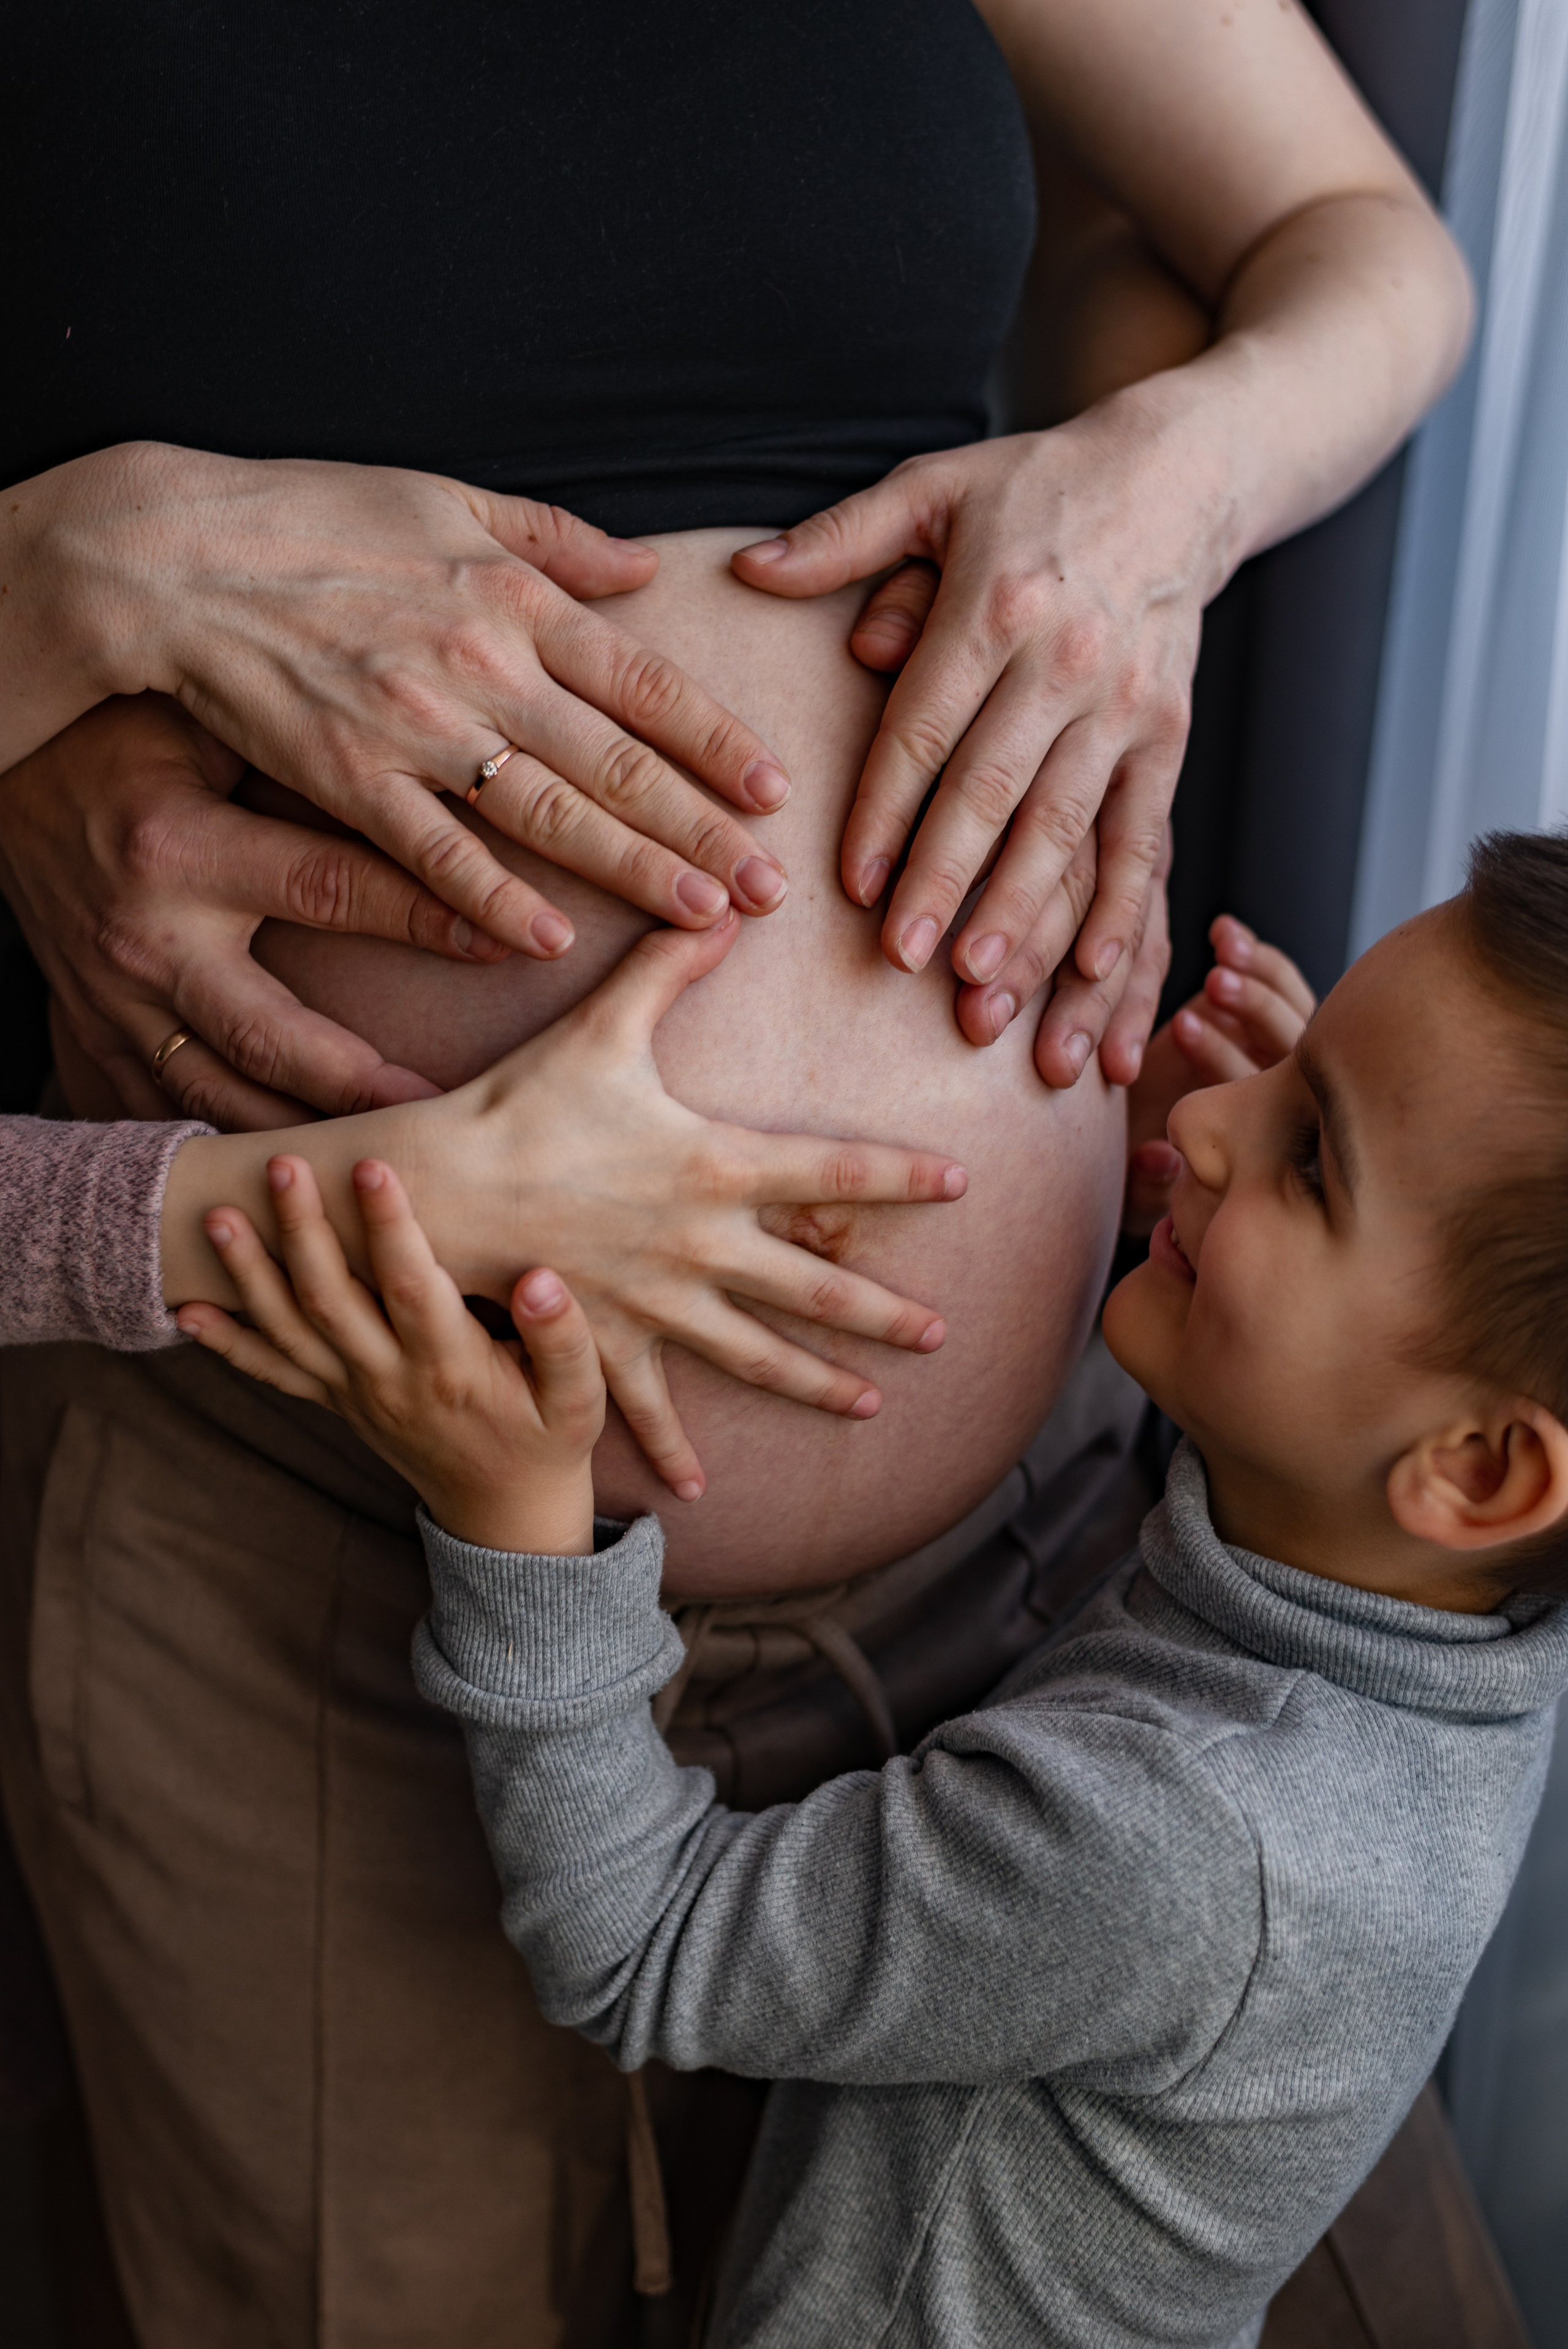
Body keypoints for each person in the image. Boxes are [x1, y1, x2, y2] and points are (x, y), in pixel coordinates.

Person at [0, 1, 1469, 2335]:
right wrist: (34, 586)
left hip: (1079, 1553)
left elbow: (1364, 247)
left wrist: (1160, 490)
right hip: (291, 1522)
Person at [190, 831, 1568, 2348]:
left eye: (1312, 1152)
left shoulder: (1173, 1845)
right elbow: (1339, 1412)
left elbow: (636, 1940)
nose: (1219, 1112)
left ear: (1480, 1474)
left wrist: (519, 1526)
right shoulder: (1459, 1618)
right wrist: (1231, 1223)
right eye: (1296, 1055)